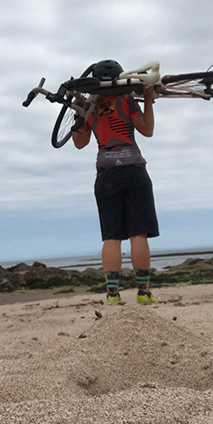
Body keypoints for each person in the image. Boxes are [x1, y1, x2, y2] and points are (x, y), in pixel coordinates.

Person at [72, 60, 158, 304]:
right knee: (138, 233)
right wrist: (149, 100)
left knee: (111, 236)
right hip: (134, 170)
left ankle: (112, 293)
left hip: (106, 174)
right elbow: (147, 129)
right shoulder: (126, 100)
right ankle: (143, 292)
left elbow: (80, 143)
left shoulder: (90, 105)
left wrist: (78, 112)